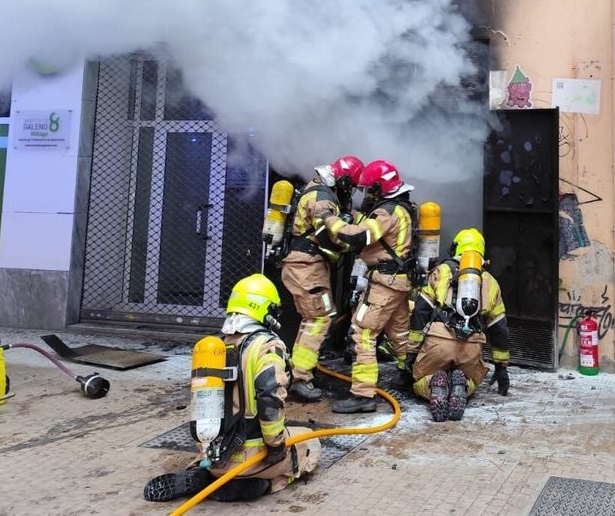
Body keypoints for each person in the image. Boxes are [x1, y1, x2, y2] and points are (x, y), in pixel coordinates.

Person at [143, 274, 321, 503]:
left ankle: (201, 474)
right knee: (310, 443)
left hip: (213, 456)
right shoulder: (267, 346)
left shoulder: (216, 346)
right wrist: (276, 447)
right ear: (264, 309)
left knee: (217, 460)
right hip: (250, 459)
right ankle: (258, 485)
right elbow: (269, 398)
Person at [323, 159, 417, 414]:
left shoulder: (386, 212)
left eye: (370, 189)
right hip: (398, 282)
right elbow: (370, 227)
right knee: (400, 334)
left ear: (380, 187)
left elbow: (358, 236)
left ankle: (363, 395)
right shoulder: (402, 207)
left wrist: (330, 220)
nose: (367, 194)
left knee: (363, 333)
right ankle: (411, 375)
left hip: (384, 284)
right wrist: (352, 217)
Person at [271, 155, 364, 402]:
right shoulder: (323, 198)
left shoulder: (313, 187)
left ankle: (301, 372)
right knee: (319, 319)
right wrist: (352, 240)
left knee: (313, 319)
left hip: (304, 266)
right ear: (343, 179)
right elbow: (327, 232)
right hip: (306, 267)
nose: (351, 190)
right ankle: (301, 377)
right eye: (351, 184)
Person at [407, 228, 512, 421]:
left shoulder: (441, 271)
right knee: (473, 381)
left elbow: (420, 313)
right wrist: (501, 367)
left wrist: (412, 353)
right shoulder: (490, 281)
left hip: (439, 341)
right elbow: (499, 329)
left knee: (417, 380)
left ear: (456, 247)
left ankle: (434, 385)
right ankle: (461, 384)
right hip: (471, 345)